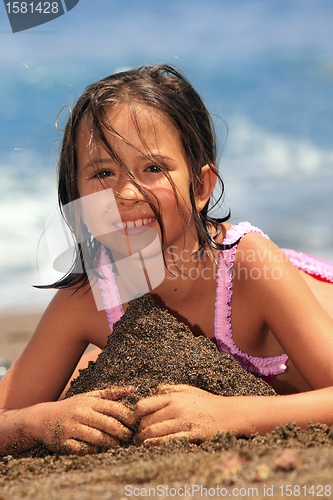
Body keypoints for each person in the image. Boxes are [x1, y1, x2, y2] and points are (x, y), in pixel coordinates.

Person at [1, 65, 333, 456]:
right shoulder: (91, 296)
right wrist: (36, 423)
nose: (125, 193)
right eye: (103, 172)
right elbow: (8, 413)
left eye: (153, 168)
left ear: (200, 186)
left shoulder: (249, 265)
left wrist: (231, 415)